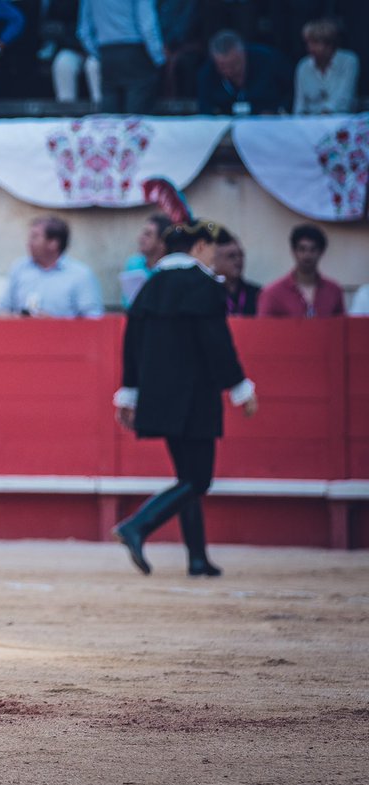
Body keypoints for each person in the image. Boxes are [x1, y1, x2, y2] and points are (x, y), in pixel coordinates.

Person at [113, 218, 258, 578]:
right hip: (196, 397)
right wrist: (240, 386)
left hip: (159, 396)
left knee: (186, 476)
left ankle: (197, 558)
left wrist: (129, 393)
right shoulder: (204, 286)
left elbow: (132, 344)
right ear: (200, 248)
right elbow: (217, 344)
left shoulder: (151, 286)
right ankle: (138, 525)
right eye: (212, 250)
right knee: (199, 480)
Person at [0, 216, 103, 318]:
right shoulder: (19, 268)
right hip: (21, 333)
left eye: (35, 237)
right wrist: (16, 318)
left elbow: (93, 321)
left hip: (63, 335)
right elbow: (2, 311)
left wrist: (54, 324)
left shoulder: (80, 275)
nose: (28, 243)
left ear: (53, 243)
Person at [77, 0, 164, 115]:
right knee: (137, 118)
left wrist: (99, 54)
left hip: (107, 53)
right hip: (135, 52)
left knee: (111, 118)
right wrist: (159, 58)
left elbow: (84, 31)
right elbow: (147, 27)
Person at [258, 224, 345, 318]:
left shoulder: (334, 291)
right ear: (293, 251)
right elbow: (264, 330)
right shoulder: (272, 293)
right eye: (302, 249)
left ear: (321, 252)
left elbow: (340, 329)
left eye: (313, 249)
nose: (307, 255)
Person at [197, 30, 291, 116]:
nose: (229, 71)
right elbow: (206, 111)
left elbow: (291, 92)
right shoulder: (207, 75)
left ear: (243, 54)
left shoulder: (269, 61)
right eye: (222, 67)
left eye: (233, 65)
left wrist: (277, 111)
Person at [293, 17, 359, 115]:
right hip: (309, 123)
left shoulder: (349, 61)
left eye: (315, 43)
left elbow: (344, 99)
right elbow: (300, 104)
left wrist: (325, 114)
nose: (310, 48)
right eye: (308, 43)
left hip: (339, 120)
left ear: (329, 44)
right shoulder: (303, 66)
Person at [120, 213, 171, 307]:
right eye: (143, 233)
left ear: (162, 243)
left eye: (148, 235)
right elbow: (127, 303)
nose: (140, 238)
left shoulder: (171, 269)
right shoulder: (134, 263)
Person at [210, 233, 260, 316]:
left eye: (241, 255)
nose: (238, 260)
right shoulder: (205, 294)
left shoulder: (257, 295)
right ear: (214, 260)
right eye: (231, 256)